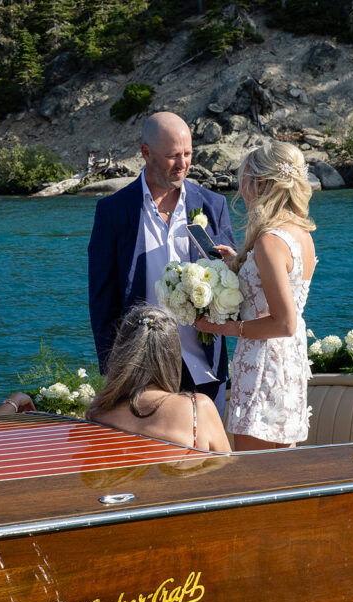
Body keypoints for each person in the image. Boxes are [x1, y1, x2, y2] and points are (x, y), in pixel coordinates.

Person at [88, 111, 236, 415]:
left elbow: (231, 282)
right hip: (139, 368)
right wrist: (111, 369)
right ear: (146, 153)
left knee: (207, 457)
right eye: (172, 156)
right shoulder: (113, 211)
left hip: (203, 364)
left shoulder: (213, 205)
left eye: (187, 153)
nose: (182, 164)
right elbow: (102, 297)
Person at [195, 141, 317, 450]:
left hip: (264, 365)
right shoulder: (300, 233)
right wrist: (238, 262)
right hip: (289, 361)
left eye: (246, 181)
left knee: (255, 474)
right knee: (278, 469)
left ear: (261, 184)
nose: (243, 190)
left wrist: (220, 328)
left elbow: (283, 322)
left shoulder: (270, 241)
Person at [86, 306, 231, 453]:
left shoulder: (98, 411)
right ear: (172, 355)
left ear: (121, 351)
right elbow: (232, 470)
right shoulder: (197, 408)